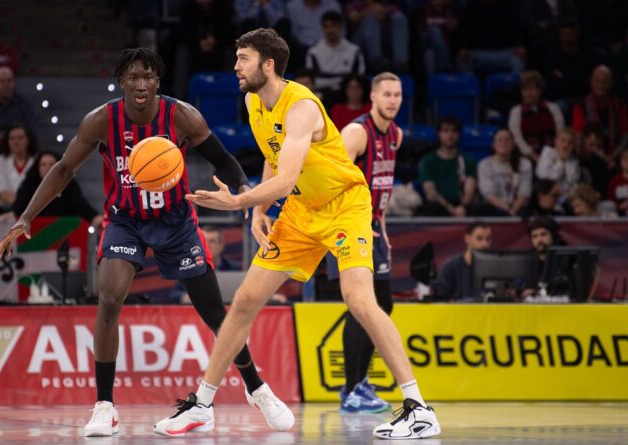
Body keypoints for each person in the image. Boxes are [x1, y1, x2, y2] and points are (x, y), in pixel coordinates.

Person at [155, 28, 440, 439]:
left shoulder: (301, 106)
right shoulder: (253, 100)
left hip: (344, 204)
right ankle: (201, 404)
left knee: (359, 298)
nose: (235, 66)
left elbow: (285, 179)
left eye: (244, 58)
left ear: (268, 65)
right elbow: (274, 156)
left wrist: (239, 201)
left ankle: (419, 408)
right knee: (245, 301)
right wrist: (256, 209)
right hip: (302, 212)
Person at [0, 48, 285, 437]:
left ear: (157, 82)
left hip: (176, 221)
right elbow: (64, 169)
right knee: (109, 299)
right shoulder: (101, 121)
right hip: (125, 221)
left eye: (147, 76)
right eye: (132, 77)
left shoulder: (181, 116)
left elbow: (222, 159)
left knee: (216, 313)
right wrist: (27, 217)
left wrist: (247, 194)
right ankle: (104, 406)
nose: (141, 83)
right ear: (122, 82)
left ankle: (256, 388)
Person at [334, 72, 402, 414]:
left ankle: (357, 385)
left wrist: (383, 226)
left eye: (397, 94)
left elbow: (382, 185)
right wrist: (353, 221)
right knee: (361, 305)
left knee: (383, 304)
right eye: (387, 94)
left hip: (375, 226)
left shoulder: (397, 135)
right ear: (373, 97)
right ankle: (352, 388)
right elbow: (334, 180)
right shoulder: (356, 133)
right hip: (350, 224)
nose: (393, 100)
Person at [11, 150, 100, 225]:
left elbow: (80, 204)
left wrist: (94, 217)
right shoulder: (28, 185)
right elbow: (19, 209)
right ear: (37, 167)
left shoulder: (69, 184)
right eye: (43, 164)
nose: (47, 168)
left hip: (62, 232)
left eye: (51, 164)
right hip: (34, 234)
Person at [419, 116, 477, 216]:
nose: (450, 135)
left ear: (458, 135)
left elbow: (469, 190)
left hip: (462, 205)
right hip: (440, 205)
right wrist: (450, 208)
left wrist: (462, 207)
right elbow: (430, 192)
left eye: (454, 131)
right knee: (431, 208)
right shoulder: (428, 160)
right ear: (439, 134)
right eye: (445, 131)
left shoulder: (467, 160)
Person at [0, 66, 38, 152]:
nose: (6, 85)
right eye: (2, 82)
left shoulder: (25, 106)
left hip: (19, 152)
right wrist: (14, 136)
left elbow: (28, 133)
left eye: (9, 81)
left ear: (14, 83)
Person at [508, 70, 565, 162]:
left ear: (540, 90)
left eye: (532, 89)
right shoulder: (516, 111)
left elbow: (560, 133)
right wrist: (534, 157)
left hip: (553, 154)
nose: (528, 94)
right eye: (525, 90)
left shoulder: (553, 108)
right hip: (528, 157)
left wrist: (555, 153)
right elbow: (517, 139)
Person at [571, 65, 628, 157]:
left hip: (616, 155)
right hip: (590, 156)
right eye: (597, 81)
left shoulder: (620, 105)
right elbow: (579, 136)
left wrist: (614, 156)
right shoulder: (581, 105)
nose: (601, 86)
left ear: (611, 83)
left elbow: (625, 136)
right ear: (591, 82)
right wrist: (600, 156)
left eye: (605, 82)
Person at [305, 11, 365, 94]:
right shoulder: (313, 52)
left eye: (333, 26)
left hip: (347, 93)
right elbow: (311, 80)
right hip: (322, 93)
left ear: (340, 27)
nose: (330, 30)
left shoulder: (354, 50)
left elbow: (359, 77)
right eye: (326, 26)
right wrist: (339, 80)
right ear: (322, 28)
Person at [477, 128, 533, 216]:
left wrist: (514, 209)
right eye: (500, 139)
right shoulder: (484, 165)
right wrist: (506, 208)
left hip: (518, 207)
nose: (503, 143)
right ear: (493, 145)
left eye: (507, 139)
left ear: (514, 144)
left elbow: (524, 192)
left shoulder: (525, 164)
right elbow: (488, 194)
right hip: (494, 208)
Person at [432, 221, 492, 301]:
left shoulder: (495, 270)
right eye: (479, 238)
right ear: (467, 238)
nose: (485, 244)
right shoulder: (450, 267)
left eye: (488, 239)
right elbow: (440, 299)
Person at [0, 124, 37, 211]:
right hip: (6, 210)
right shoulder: (0, 161)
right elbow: (1, 192)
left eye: (20, 138)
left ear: (28, 140)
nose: (16, 142)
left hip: (34, 212)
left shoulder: (37, 161)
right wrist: (22, 205)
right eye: (12, 138)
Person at [536, 127, 581, 201]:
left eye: (570, 142)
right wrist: (561, 160)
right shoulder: (547, 153)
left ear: (573, 146)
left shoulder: (573, 160)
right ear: (556, 141)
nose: (566, 144)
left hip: (565, 199)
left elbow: (572, 180)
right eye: (563, 140)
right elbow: (546, 178)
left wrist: (566, 160)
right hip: (547, 196)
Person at [607, 148, 628, 215]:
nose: (627, 162)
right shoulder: (615, 181)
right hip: (619, 216)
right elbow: (610, 202)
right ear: (621, 162)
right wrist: (620, 206)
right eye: (625, 159)